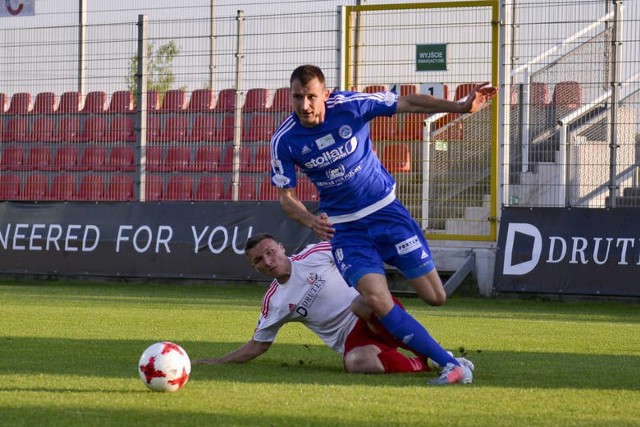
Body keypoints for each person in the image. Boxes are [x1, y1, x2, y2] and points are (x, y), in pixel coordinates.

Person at [269, 64, 497, 384]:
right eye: (297, 97)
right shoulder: (285, 139)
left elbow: (408, 103)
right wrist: (309, 219)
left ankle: (369, 307)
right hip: (346, 229)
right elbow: (285, 196)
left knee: (436, 296)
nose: (304, 105)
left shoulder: (349, 105)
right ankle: (450, 363)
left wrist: (459, 107)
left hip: (386, 213)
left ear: (325, 94)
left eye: (310, 97)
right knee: (379, 299)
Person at [194, 233, 473, 375]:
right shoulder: (275, 301)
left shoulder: (314, 254)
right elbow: (258, 344)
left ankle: (440, 356)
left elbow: (353, 247)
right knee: (356, 363)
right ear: (254, 267)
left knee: (360, 304)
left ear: (280, 247)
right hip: (353, 340)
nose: (267, 261)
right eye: (258, 260)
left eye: (269, 252)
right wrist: (218, 361)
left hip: (374, 308)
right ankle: (419, 364)